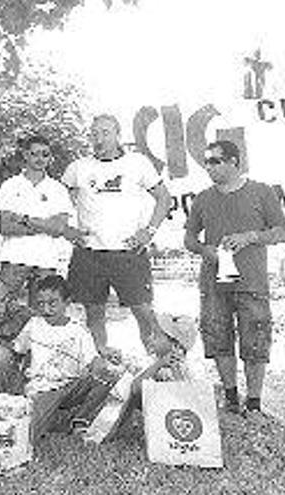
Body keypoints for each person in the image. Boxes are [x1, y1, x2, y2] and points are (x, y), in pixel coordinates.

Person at [184, 140, 285, 417]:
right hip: (214, 282)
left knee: (255, 341)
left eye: (215, 161)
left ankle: (254, 402)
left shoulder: (262, 192)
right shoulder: (203, 199)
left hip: (252, 282)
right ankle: (230, 396)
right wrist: (205, 250)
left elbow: (281, 232)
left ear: (234, 162)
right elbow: (189, 238)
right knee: (218, 339)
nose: (209, 167)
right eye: (206, 162)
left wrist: (250, 237)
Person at [61, 114, 171, 357]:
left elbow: (165, 198)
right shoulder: (78, 168)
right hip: (89, 253)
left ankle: (162, 370)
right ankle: (101, 368)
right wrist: (68, 230)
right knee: (94, 315)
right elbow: (58, 202)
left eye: (105, 132)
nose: (99, 139)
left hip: (128, 252)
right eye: (94, 133)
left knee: (144, 313)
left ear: (118, 135)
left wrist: (148, 231)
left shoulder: (138, 163)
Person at [11, 275, 119, 443]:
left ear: (67, 302)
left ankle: (80, 421)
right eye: (40, 304)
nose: (46, 309)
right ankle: (44, 418)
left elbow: (93, 360)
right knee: (27, 436)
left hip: (71, 386)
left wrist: (102, 363)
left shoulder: (78, 330)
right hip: (43, 388)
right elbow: (17, 350)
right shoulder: (33, 325)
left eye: (52, 303)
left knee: (109, 376)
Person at [0, 135, 76, 306]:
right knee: (2, 310)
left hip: (46, 260)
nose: (40, 159)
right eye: (35, 153)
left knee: (42, 316)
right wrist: (45, 225)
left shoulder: (57, 189)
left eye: (45, 154)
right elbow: (5, 226)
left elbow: (60, 228)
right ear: (25, 154)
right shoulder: (10, 185)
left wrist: (24, 220)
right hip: (14, 258)